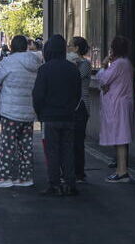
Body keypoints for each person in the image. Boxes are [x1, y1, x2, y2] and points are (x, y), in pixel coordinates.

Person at [0, 35, 41, 188]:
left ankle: (5, 176)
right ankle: (26, 177)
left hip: (11, 110)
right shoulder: (35, 63)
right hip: (29, 109)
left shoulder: (8, 62)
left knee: (7, 144)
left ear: (12, 46)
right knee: (26, 145)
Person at [32, 35, 81, 196]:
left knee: (52, 151)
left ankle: (54, 183)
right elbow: (77, 93)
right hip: (68, 116)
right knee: (68, 150)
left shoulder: (44, 69)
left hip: (49, 116)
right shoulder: (72, 68)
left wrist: (40, 113)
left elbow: (38, 95)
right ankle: (70, 182)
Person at [96, 36, 135, 183]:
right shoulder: (126, 63)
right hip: (123, 104)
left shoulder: (118, 64)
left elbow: (103, 79)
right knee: (121, 138)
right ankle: (121, 170)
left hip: (116, 105)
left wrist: (104, 65)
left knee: (119, 138)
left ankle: (121, 171)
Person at [67, 37, 92, 183]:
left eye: (70, 45)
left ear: (76, 48)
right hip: (71, 104)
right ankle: (71, 171)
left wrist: (71, 63)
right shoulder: (72, 62)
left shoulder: (85, 64)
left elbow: (75, 77)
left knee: (78, 141)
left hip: (81, 104)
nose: (68, 48)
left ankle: (79, 173)